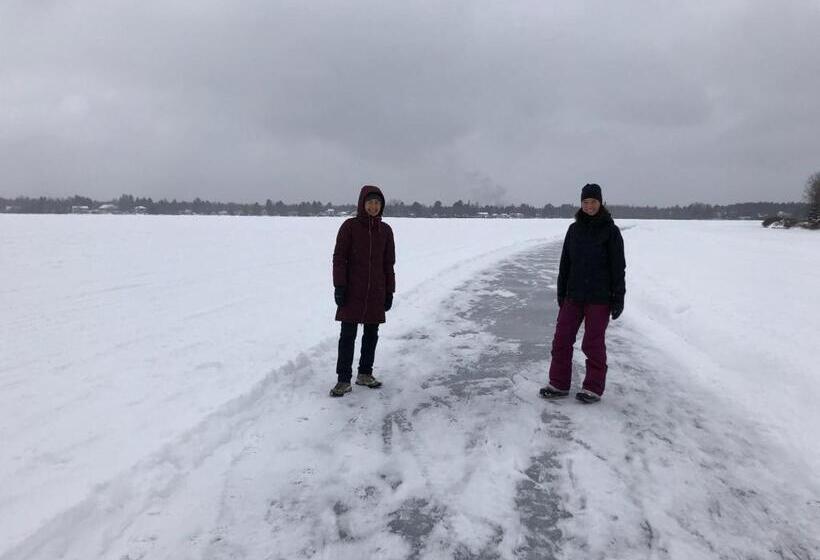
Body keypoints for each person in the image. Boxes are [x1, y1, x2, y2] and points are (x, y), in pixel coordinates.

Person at [540, 183, 626, 404]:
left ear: (600, 203)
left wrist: (618, 297)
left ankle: (593, 388)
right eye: (585, 202)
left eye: (593, 202)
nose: (589, 206)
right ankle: (558, 383)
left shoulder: (611, 231)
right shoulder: (574, 229)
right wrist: (562, 292)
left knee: (592, 343)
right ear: (581, 203)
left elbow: (618, 267)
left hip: (599, 298)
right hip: (573, 296)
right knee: (561, 339)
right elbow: (565, 264)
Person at [330, 185, 396, 397]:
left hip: (376, 291)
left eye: (377, 203)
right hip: (352, 291)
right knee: (347, 335)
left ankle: (365, 374)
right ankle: (343, 379)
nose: (374, 206)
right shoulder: (349, 227)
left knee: (371, 334)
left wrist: (389, 291)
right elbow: (339, 258)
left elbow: (389, 264)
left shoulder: (385, 231)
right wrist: (339, 285)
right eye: (370, 202)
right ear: (362, 204)